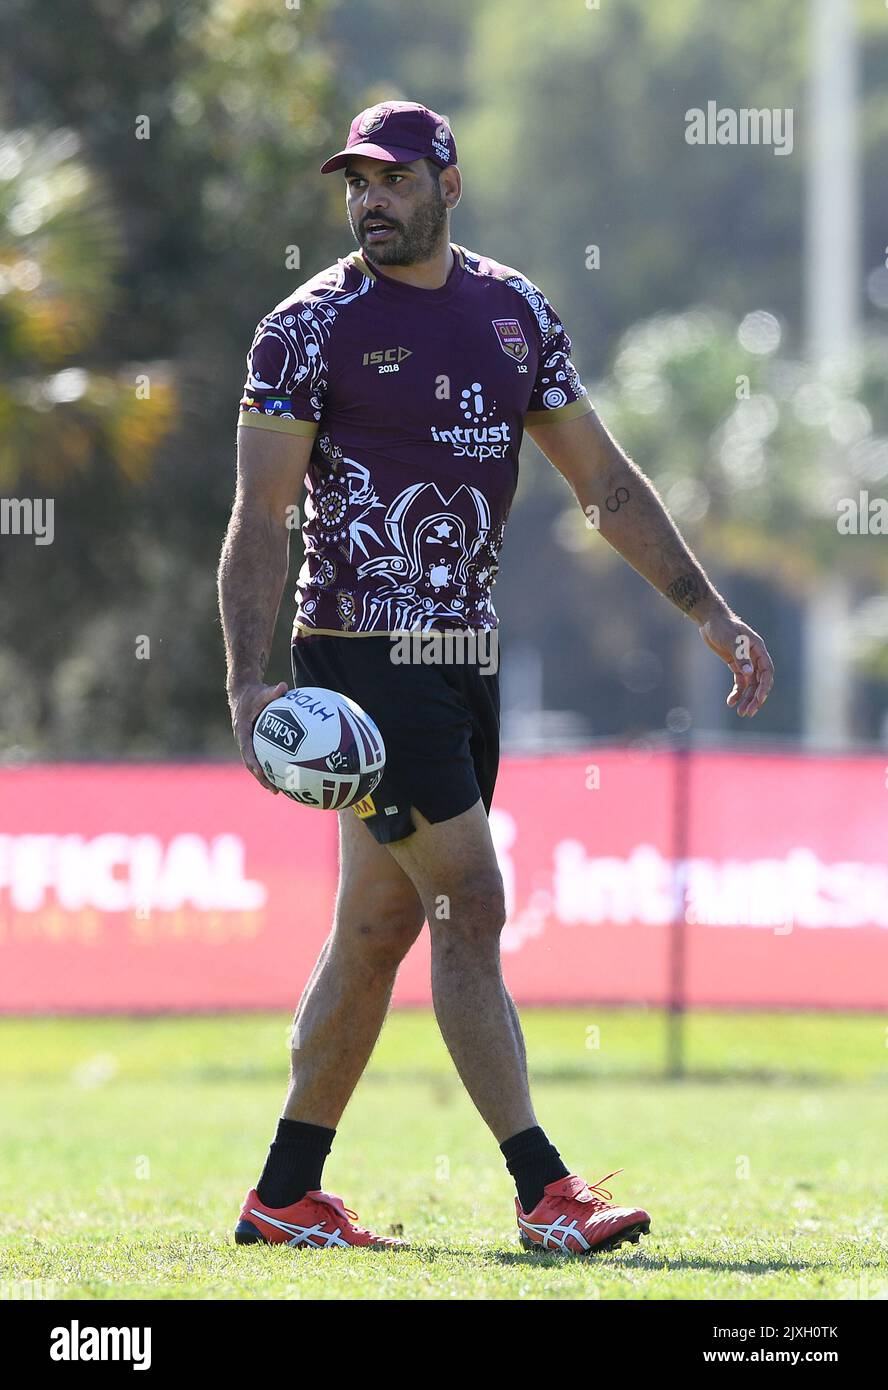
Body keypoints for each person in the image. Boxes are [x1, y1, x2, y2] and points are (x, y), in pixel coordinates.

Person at [217, 101, 774, 1254]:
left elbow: (606, 489)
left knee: (377, 926)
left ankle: (283, 1192)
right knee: (468, 902)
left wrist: (709, 613)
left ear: (448, 184)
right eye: (355, 183)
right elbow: (260, 516)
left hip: (466, 659)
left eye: (392, 179)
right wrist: (247, 682)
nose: (370, 199)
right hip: (364, 661)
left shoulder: (516, 314)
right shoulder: (305, 327)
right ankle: (544, 1191)